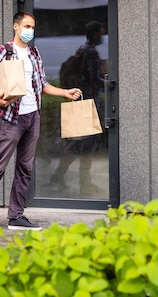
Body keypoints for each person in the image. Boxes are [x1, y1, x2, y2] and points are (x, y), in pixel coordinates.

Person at [0, 12, 82, 230]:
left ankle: (16, 216)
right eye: (27, 26)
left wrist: (65, 93)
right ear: (16, 26)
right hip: (11, 119)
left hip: (33, 117)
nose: (31, 30)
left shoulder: (33, 53)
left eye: (33, 27)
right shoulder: (4, 51)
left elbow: (41, 85)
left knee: (24, 168)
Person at [51, 21, 105, 194]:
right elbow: (94, 78)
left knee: (80, 143)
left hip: (82, 102)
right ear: (96, 34)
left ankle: (69, 178)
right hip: (88, 104)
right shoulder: (90, 53)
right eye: (101, 33)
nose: (102, 36)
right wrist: (111, 85)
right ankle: (83, 183)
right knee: (85, 144)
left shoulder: (82, 50)